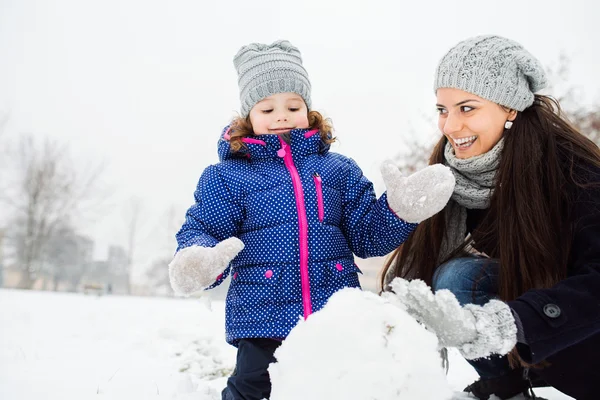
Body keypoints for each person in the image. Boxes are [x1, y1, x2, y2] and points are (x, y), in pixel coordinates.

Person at [168, 40, 455, 400]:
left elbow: (368, 236)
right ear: (248, 117)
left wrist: (398, 212)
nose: (281, 115)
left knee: (335, 387)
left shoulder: (338, 170)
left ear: (308, 109)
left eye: (293, 105)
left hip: (332, 313)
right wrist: (199, 259)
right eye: (267, 108)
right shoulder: (227, 177)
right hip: (262, 315)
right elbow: (206, 228)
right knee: (252, 388)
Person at [381, 35, 600, 400]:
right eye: (442, 110)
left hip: (579, 334)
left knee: (460, 277)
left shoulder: (572, 171)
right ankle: (506, 391)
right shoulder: (452, 172)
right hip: (535, 333)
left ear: (510, 109)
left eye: (467, 108)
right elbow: (419, 268)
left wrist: (514, 321)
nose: (450, 127)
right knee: (456, 275)